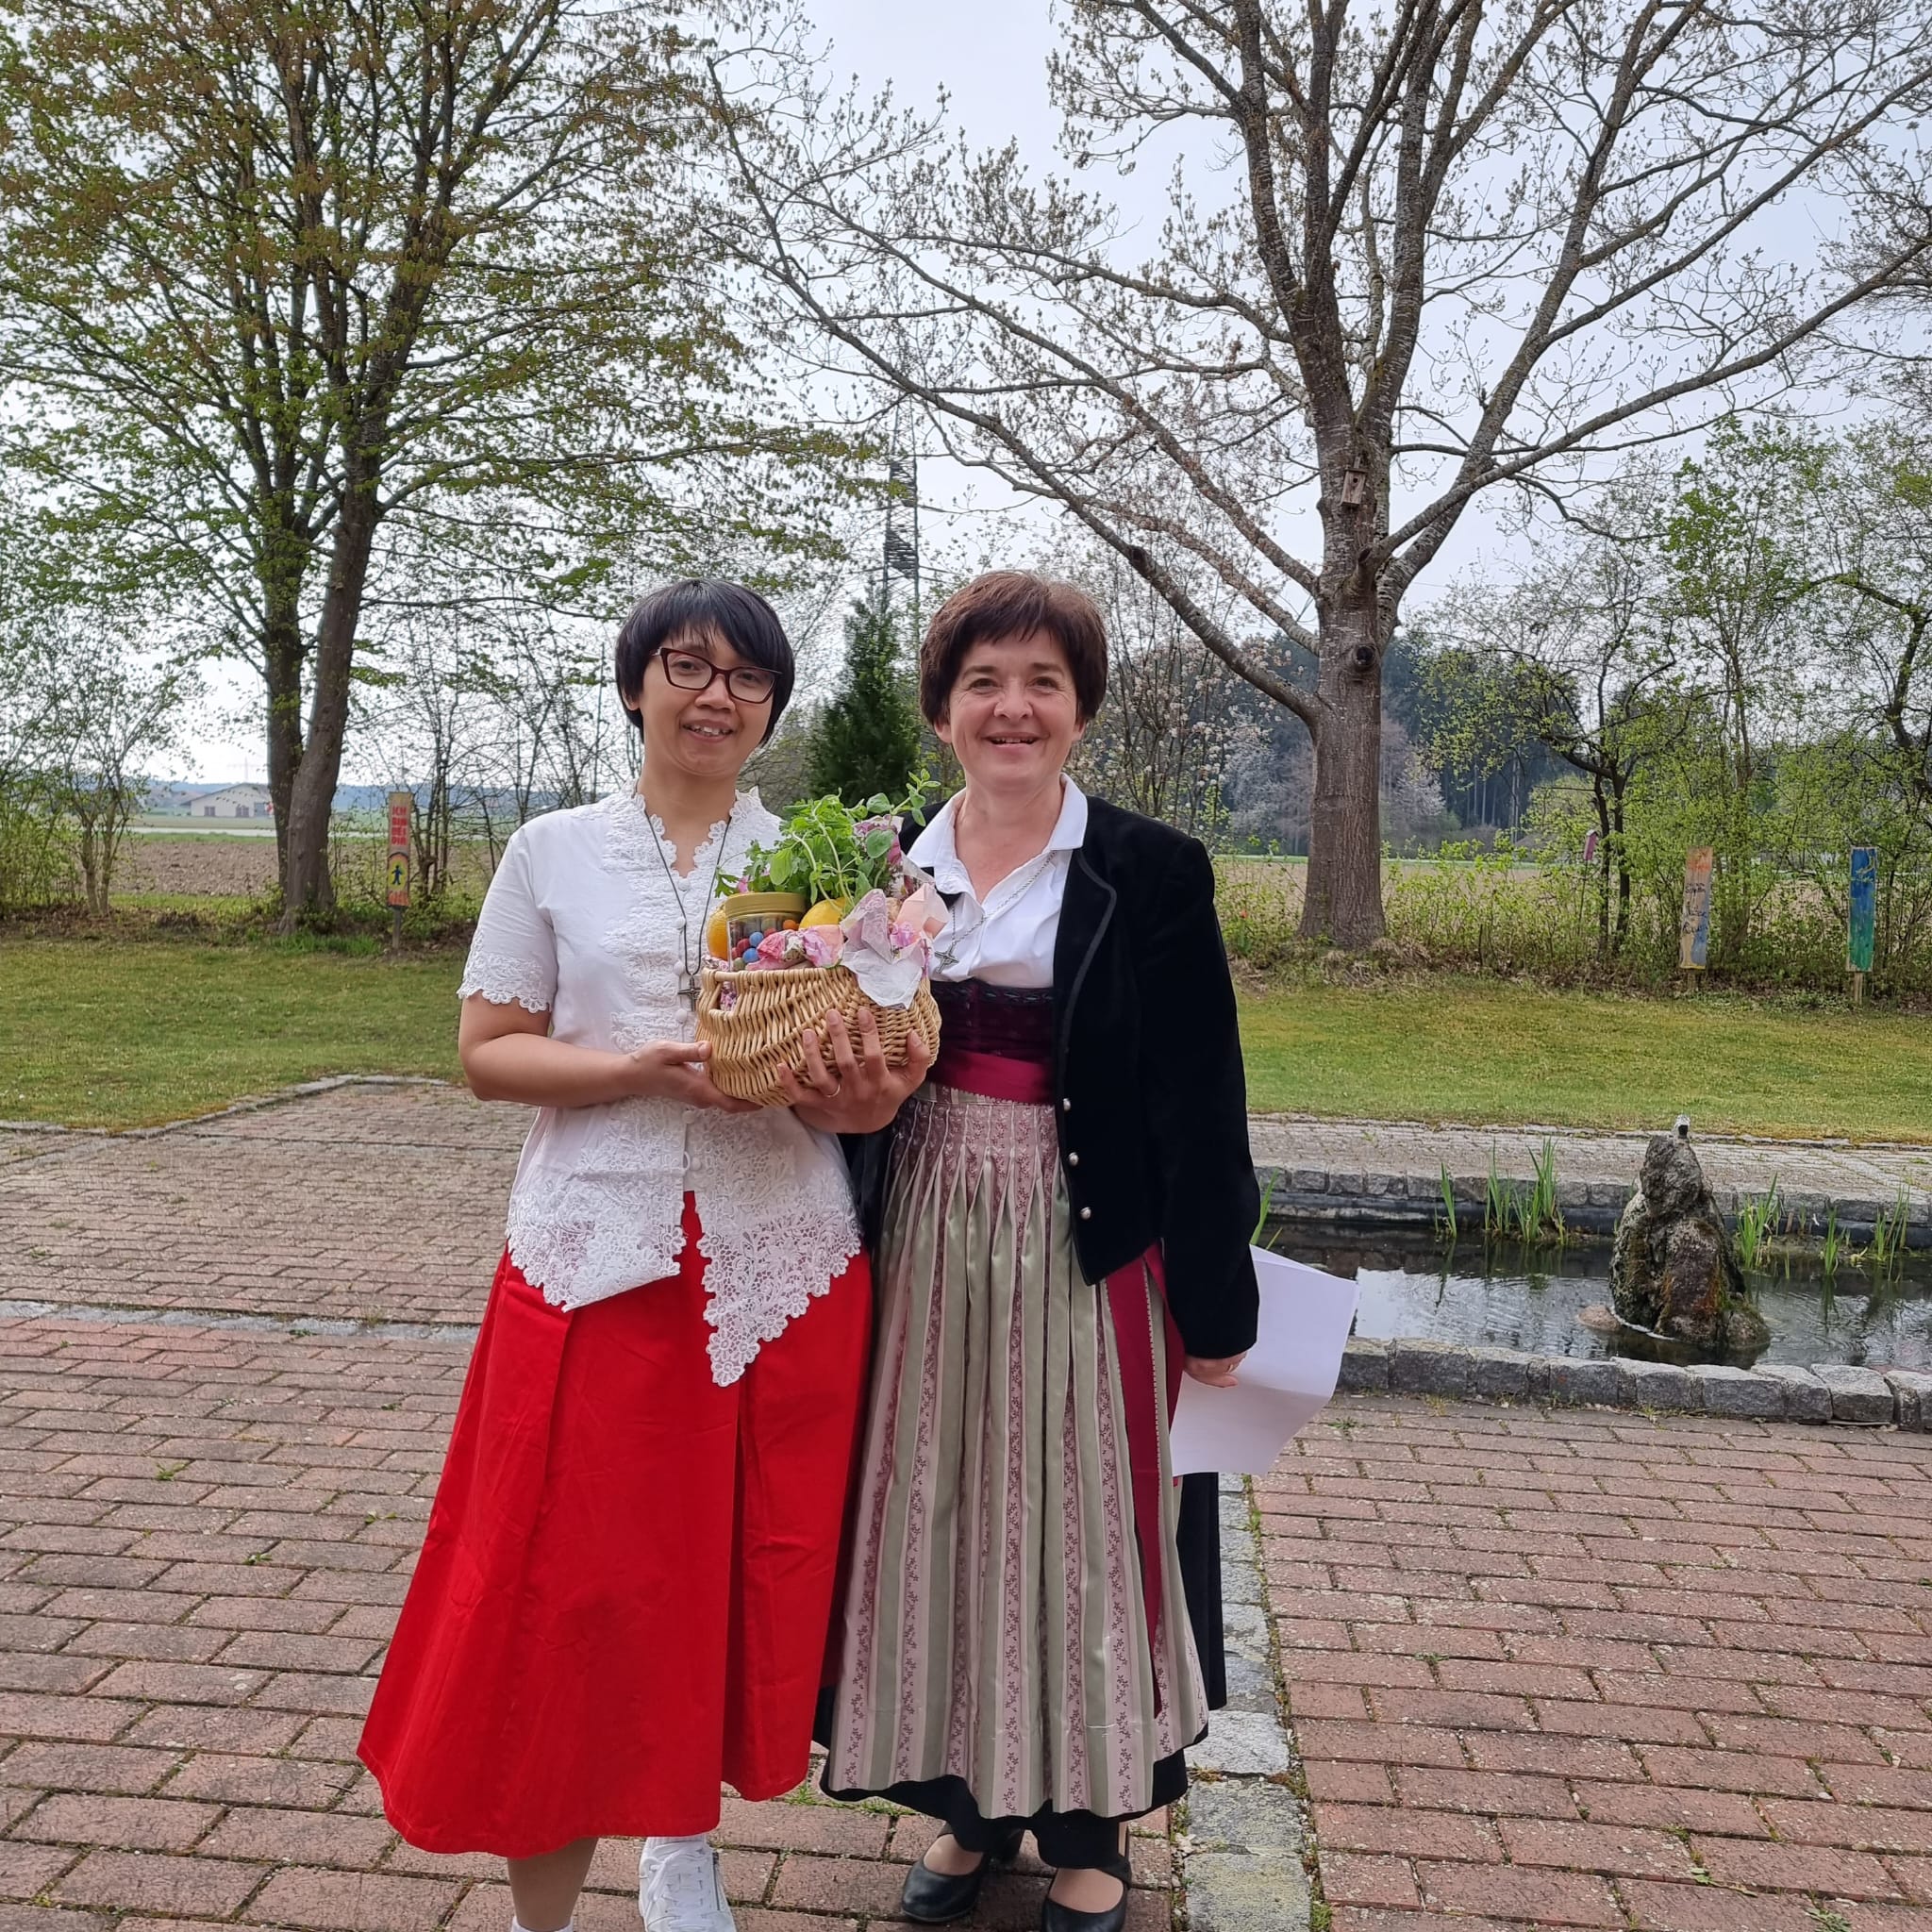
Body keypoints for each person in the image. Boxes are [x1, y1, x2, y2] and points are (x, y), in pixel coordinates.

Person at [357, 579, 930, 1932]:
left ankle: (684, 1839)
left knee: (730, 1577)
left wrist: (865, 1092)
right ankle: (542, 1910)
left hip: (777, 1268)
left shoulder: (832, 863)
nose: (717, 696)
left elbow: (871, 1080)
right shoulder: (551, 851)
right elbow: (489, 1054)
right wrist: (636, 1069)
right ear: (635, 687)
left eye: (748, 677)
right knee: (557, 1596)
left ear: (772, 707)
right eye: (688, 666)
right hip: (594, 1270)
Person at [809, 571, 1260, 1932]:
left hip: (1083, 1243)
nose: (1013, 709)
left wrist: (1217, 1302)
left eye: (1043, 684)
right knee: (938, 1509)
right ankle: (968, 1806)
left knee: (1078, 1526)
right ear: (944, 708)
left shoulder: (1149, 869)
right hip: (925, 1232)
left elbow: (1201, 1096)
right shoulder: (883, 861)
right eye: (985, 683)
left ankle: (1089, 1829)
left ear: (1081, 709)